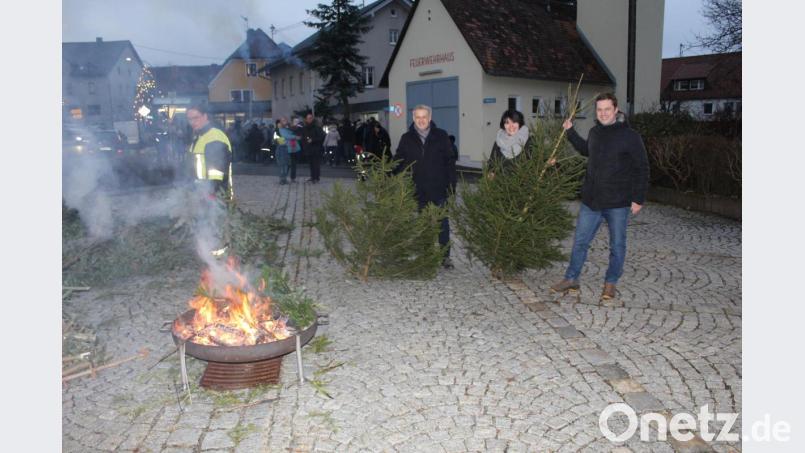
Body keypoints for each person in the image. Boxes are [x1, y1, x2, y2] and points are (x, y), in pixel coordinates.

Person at [550, 93, 649, 300]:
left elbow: (642, 168)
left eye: (607, 109)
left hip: (618, 202)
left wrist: (638, 198)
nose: (603, 113)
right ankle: (571, 279)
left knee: (617, 246)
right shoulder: (595, 132)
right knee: (580, 242)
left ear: (615, 110)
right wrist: (570, 132)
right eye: (599, 110)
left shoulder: (630, 136)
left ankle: (610, 283)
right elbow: (587, 150)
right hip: (592, 201)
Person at [392, 104, 457, 269]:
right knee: (424, 223)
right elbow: (399, 160)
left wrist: (451, 186)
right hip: (419, 189)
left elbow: (450, 162)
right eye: (418, 117)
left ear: (430, 118)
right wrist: (388, 172)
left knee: (442, 223)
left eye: (424, 117)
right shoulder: (407, 138)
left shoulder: (441, 135)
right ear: (413, 118)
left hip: (439, 187)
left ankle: (445, 257)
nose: (421, 120)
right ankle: (427, 255)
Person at [187, 103, 233, 200]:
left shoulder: (214, 137)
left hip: (215, 196)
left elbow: (216, 172)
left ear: (205, 116)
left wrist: (211, 193)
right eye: (190, 119)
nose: (192, 122)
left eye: (196, 118)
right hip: (201, 193)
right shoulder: (199, 137)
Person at [486, 109, 531, 176]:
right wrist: (490, 174)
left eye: (514, 122)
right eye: (507, 123)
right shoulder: (499, 141)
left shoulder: (528, 141)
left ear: (519, 124)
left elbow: (538, 160)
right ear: (503, 125)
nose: (511, 126)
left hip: (523, 184)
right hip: (501, 184)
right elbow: (492, 163)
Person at [301, 112, 326, 183]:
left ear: (312, 119)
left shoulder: (317, 127)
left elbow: (322, 137)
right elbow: (303, 138)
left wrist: (313, 140)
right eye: (308, 118)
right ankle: (312, 177)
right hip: (308, 149)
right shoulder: (305, 128)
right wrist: (304, 144)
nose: (309, 119)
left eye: (310, 118)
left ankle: (316, 178)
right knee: (311, 164)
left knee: (316, 164)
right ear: (306, 119)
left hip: (316, 149)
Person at [274, 117, 293, 184]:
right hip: (281, 149)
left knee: (287, 165)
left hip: (286, 149)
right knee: (283, 165)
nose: (280, 125)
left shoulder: (285, 129)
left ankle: (283, 179)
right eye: (278, 124)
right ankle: (282, 179)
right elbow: (279, 141)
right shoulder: (277, 132)